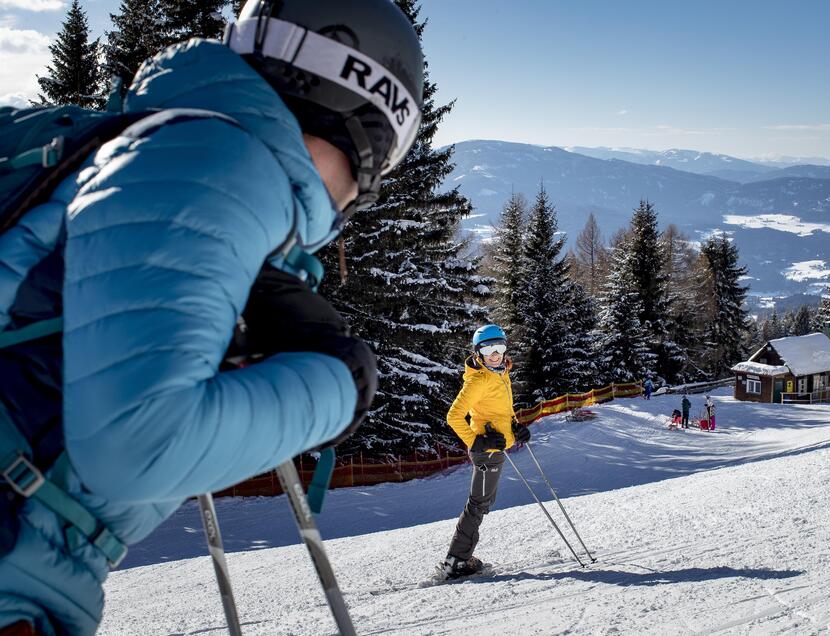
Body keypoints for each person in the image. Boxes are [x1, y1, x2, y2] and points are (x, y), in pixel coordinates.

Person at [0, 1, 424, 634]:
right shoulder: (222, 157)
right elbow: (136, 445)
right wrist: (343, 384)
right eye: (382, 163)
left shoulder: (159, 150)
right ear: (359, 122)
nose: (362, 195)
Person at [441, 324, 530, 579]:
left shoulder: (501, 373)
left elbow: (500, 411)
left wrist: (515, 427)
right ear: (478, 353)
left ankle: (459, 556)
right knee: (478, 504)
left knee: (483, 502)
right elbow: (453, 416)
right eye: (488, 349)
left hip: (496, 447)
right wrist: (476, 442)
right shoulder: (479, 380)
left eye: (499, 347)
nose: (495, 354)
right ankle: (457, 560)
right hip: (485, 451)